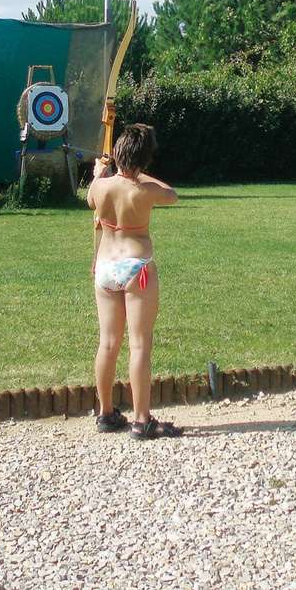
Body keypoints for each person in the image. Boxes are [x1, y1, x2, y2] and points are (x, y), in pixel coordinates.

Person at [86, 123, 183, 440]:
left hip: (105, 267)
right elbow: (172, 195)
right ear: (145, 159)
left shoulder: (100, 187)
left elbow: (90, 199)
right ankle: (142, 420)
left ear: (116, 154)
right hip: (136, 266)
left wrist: (102, 171)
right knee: (139, 344)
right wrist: (141, 172)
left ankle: (106, 414)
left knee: (108, 343)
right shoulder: (146, 189)